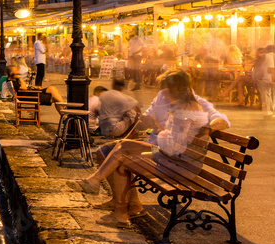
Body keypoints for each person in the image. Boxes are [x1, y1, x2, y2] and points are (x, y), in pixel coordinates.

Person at [68, 70, 218, 226]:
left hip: (180, 166)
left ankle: (116, 208)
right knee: (119, 148)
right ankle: (121, 202)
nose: (164, 95)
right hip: (175, 159)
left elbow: (173, 147)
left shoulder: (185, 111)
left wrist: (156, 128)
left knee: (123, 156)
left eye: (167, 90)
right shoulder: (184, 106)